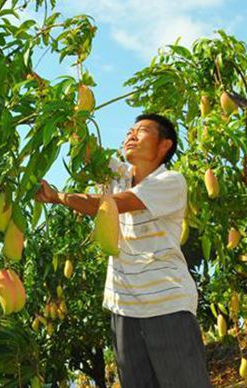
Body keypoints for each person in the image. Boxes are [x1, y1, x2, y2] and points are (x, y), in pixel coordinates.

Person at [34, 113, 211, 387]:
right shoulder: (117, 176)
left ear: (164, 145)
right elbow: (86, 146)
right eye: (129, 130)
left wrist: (58, 197)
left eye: (141, 131)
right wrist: (55, 101)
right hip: (124, 309)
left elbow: (105, 205)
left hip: (166, 306)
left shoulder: (171, 182)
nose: (131, 135)